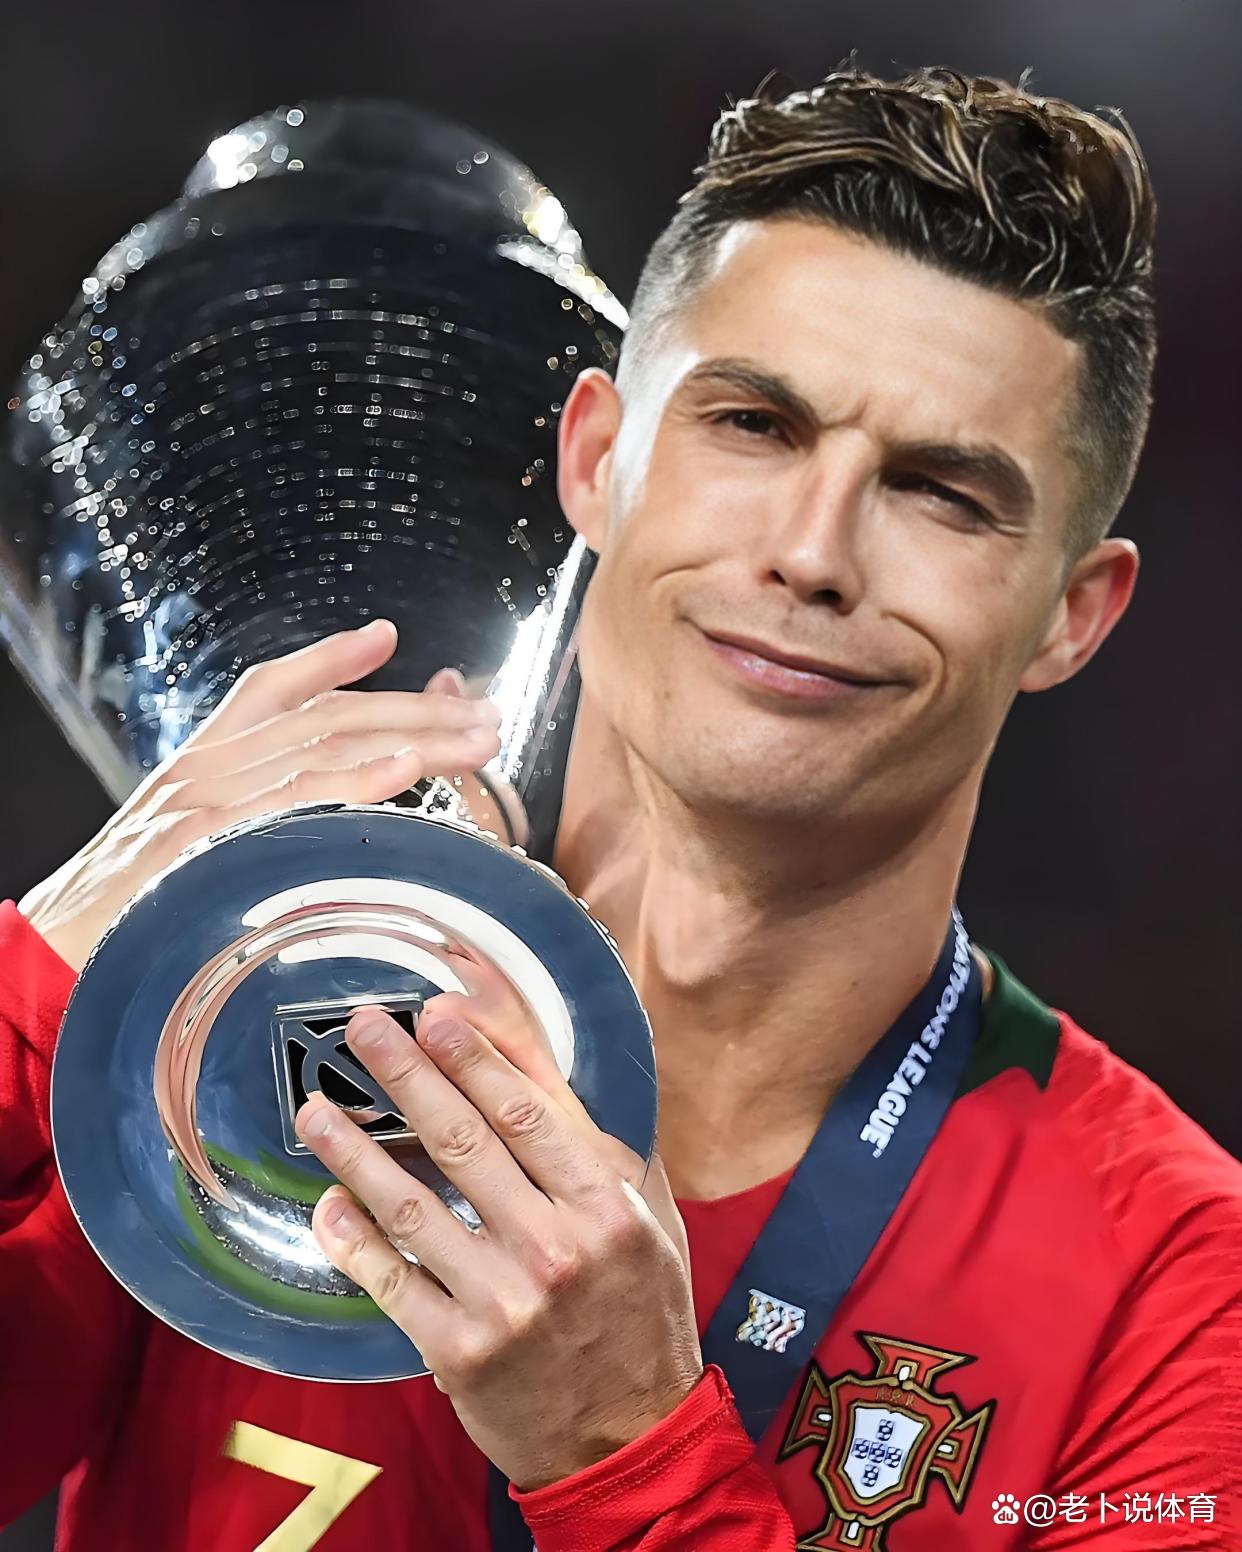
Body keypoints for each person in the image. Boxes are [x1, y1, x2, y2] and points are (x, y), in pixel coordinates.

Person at [2, 64, 1238, 1552]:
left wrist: (625, 1454)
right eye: (753, 425)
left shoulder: (1179, 1296)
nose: (812, 554)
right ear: (595, 459)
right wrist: (26, 992)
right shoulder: (210, 1030)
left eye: (940, 493)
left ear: (1071, 617)